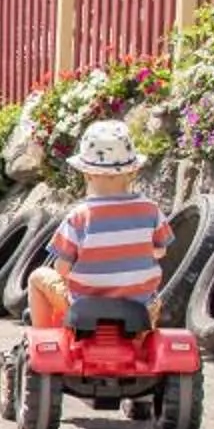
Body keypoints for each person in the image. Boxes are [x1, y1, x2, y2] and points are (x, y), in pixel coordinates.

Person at [27, 118, 173, 331]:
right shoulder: (151, 210)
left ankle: (42, 337)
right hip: (141, 309)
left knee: (37, 277)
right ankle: (139, 342)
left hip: (85, 307)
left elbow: (62, 267)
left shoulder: (79, 216)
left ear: (86, 174)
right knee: (154, 295)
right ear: (133, 172)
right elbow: (160, 251)